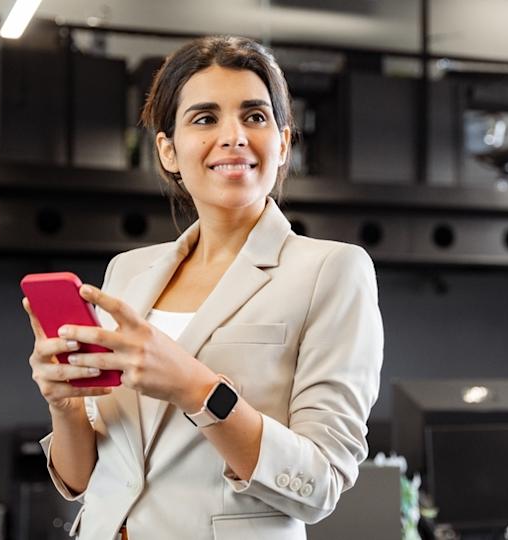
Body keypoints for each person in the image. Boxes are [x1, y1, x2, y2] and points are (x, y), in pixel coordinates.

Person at [21, 35, 383, 540]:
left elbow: (321, 484)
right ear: (168, 150)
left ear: (281, 143)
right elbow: (81, 478)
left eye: (254, 117)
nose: (233, 135)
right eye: (205, 118)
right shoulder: (127, 274)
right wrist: (63, 405)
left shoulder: (333, 270)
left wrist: (197, 390)